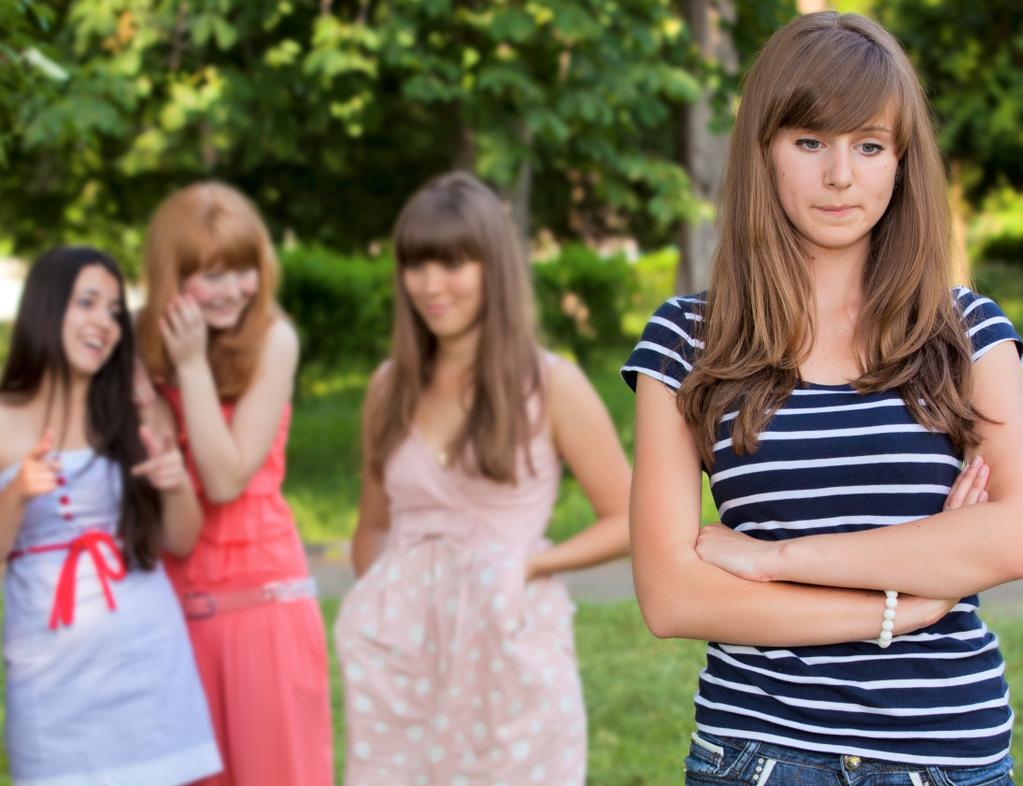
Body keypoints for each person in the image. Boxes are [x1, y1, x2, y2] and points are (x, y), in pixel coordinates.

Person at [623, 11, 1022, 785]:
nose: (840, 175)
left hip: (943, 760)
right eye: (809, 142)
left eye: (868, 146)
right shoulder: (686, 340)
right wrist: (901, 607)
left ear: (900, 162)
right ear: (764, 152)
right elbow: (670, 595)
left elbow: (1014, 535)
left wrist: (775, 560)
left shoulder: (966, 331)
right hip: (759, 756)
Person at [334, 172, 631, 785]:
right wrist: (383, 609)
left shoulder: (550, 383)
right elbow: (373, 526)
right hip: (402, 661)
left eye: (452, 264)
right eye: (416, 266)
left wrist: (529, 566)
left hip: (508, 644)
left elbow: (631, 518)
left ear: (492, 267)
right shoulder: (388, 387)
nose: (430, 285)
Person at [135, 183, 333, 786]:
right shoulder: (139, 345)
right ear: (172, 276)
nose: (231, 291)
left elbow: (224, 478)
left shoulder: (275, 339)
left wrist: (191, 368)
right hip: (169, 602)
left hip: (262, 603)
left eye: (242, 270)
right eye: (211, 276)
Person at [0, 246, 221, 786]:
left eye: (115, 311)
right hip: (49, 668)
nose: (104, 322)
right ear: (46, 307)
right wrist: (16, 496)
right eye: (88, 303)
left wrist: (176, 486)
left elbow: (181, 539)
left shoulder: (132, 408)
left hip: (146, 655)